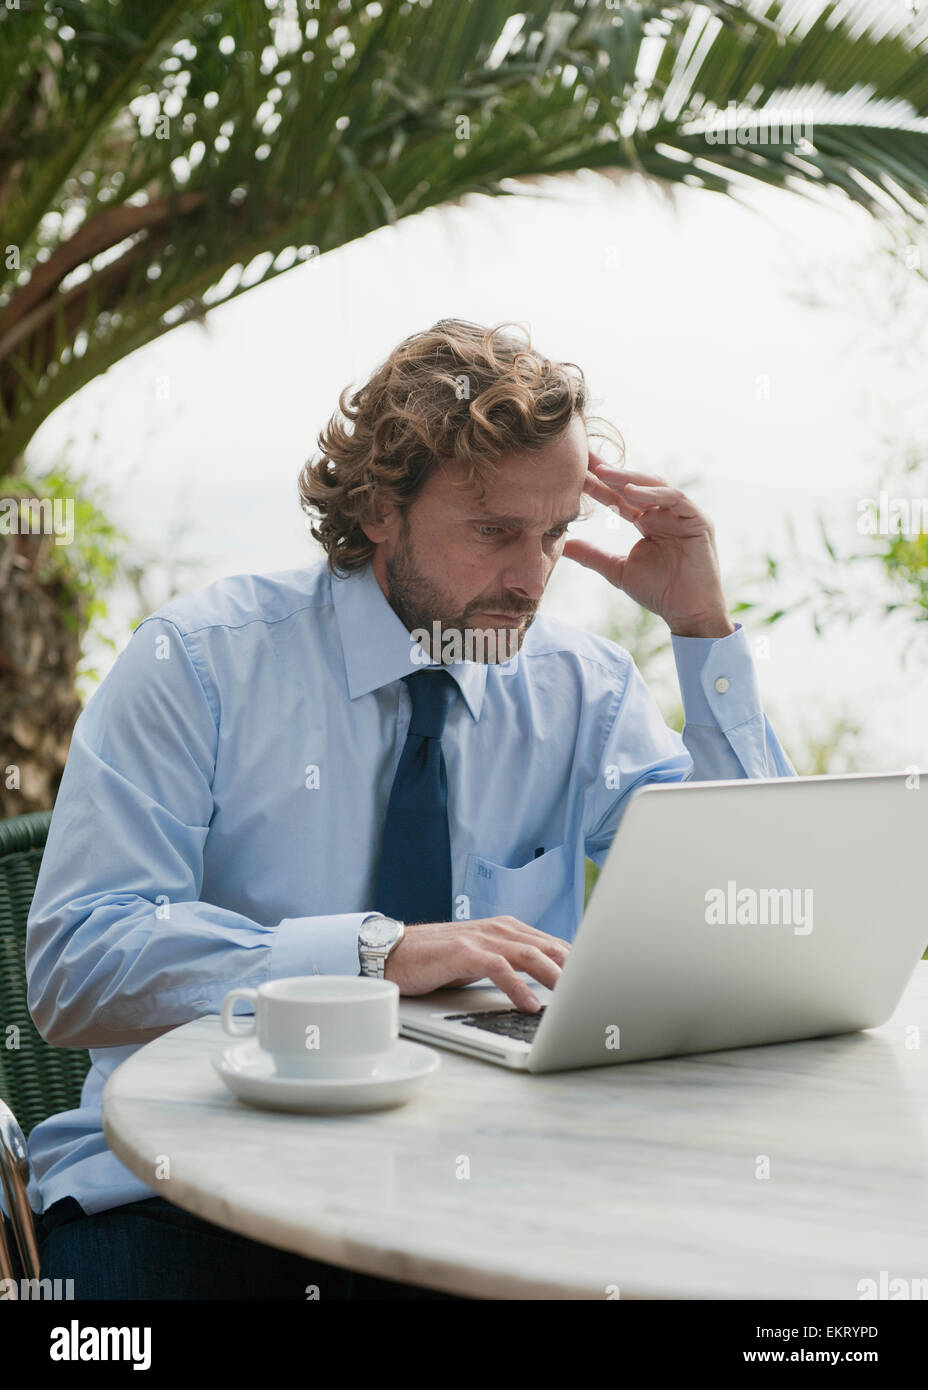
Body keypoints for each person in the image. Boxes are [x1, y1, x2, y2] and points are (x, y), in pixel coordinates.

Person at [6, 318, 794, 1299]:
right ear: (380, 508)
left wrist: (702, 630)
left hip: (488, 1191)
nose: (532, 578)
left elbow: (754, 905)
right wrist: (369, 954)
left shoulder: (579, 689)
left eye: (553, 534)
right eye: (494, 532)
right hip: (186, 1188)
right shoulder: (198, 666)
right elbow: (79, 959)